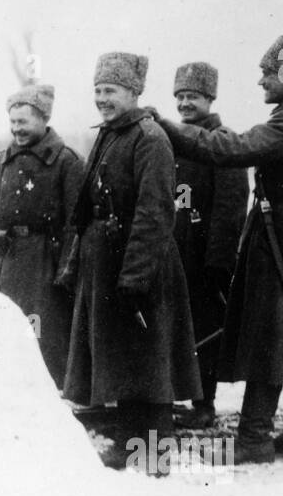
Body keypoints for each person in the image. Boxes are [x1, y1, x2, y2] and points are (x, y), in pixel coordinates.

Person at [154, 33, 283, 463]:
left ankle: (254, 438)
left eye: (267, 72)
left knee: (272, 333)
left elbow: (232, 148)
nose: (260, 80)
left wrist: (169, 128)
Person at [61, 52, 201, 471]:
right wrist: (76, 261)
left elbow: (156, 212)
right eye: (98, 91)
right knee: (120, 356)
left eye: (111, 91)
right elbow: (86, 205)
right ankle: (128, 443)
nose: (102, 99)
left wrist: (135, 276)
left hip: (142, 264)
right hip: (106, 262)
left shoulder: (150, 137)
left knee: (150, 356)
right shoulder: (108, 134)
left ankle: (155, 453)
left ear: (134, 92)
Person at [0, 83, 85, 388]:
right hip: (5, 263)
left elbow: (77, 223)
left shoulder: (66, 161)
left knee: (43, 333)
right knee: (4, 331)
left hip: (45, 265)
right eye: (12, 122)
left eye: (24, 122)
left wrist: (66, 270)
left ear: (43, 119)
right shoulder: (0, 161)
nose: (16, 129)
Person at [169, 63, 249, 427]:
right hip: (176, 248)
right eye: (181, 97)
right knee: (175, 323)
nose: (186, 103)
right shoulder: (172, 138)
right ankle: (175, 397)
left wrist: (218, 260)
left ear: (209, 98)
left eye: (193, 97)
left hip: (206, 254)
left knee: (206, 325)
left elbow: (231, 207)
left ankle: (204, 405)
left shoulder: (223, 140)